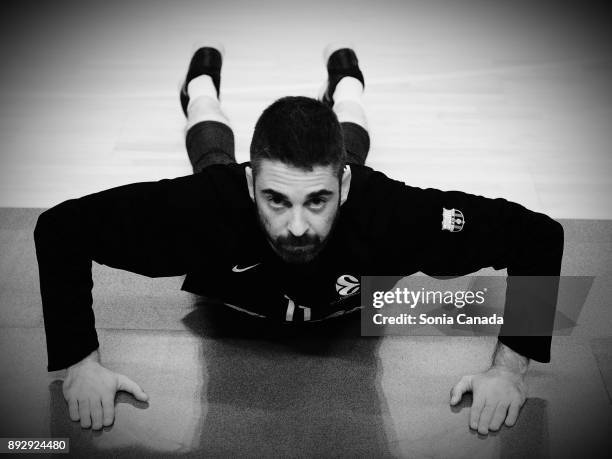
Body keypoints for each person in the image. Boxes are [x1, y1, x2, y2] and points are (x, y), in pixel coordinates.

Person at [34, 44, 564, 434]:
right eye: (275, 200)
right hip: (229, 270)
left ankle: (348, 86)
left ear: (344, 188)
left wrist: (509, 370)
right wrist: (82, 362)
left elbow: (538, 237)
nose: (296, 226)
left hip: (346, 214)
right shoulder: (206, 209)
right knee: (210, 160)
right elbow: (60, 229)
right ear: (251, 185)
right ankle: (199, 89)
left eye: (317, 200)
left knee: (347, 144)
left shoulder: (393, 215)